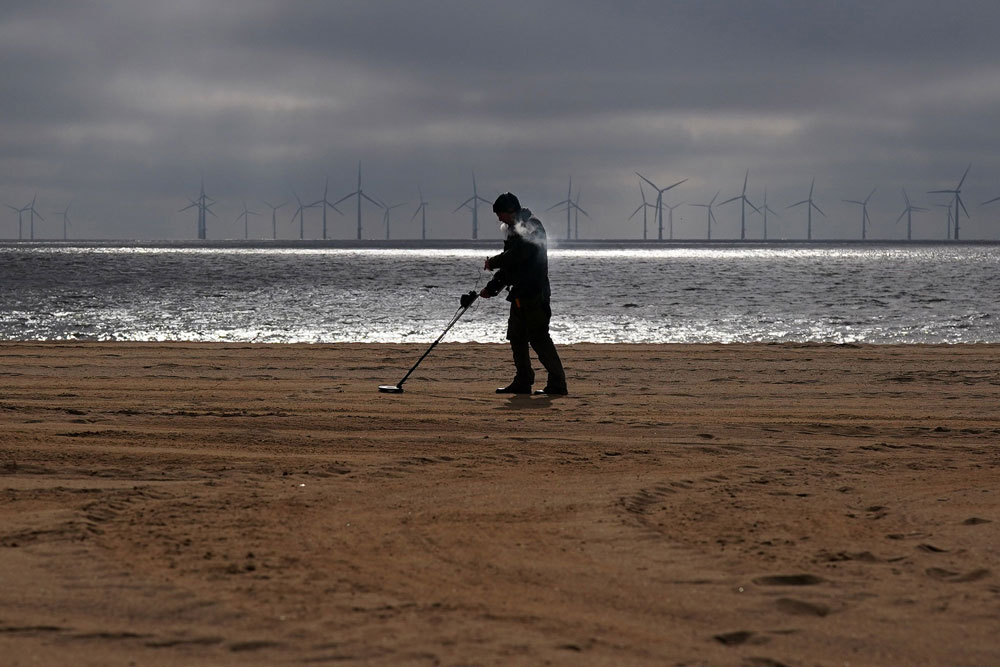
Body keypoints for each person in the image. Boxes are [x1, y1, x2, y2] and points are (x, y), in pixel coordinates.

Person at [475, 192, 568, 396]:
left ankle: (558, 384)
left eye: (500, 214)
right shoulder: (513, 230)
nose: (499, 219)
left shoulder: (531, 226)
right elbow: (511, 267)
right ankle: (523, 380)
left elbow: (518, 255)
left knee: (539, 338)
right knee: (516, 337)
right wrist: (492, 288)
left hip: (534, 294)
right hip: (519, 294)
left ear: (510, 210)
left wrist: (494, 262)